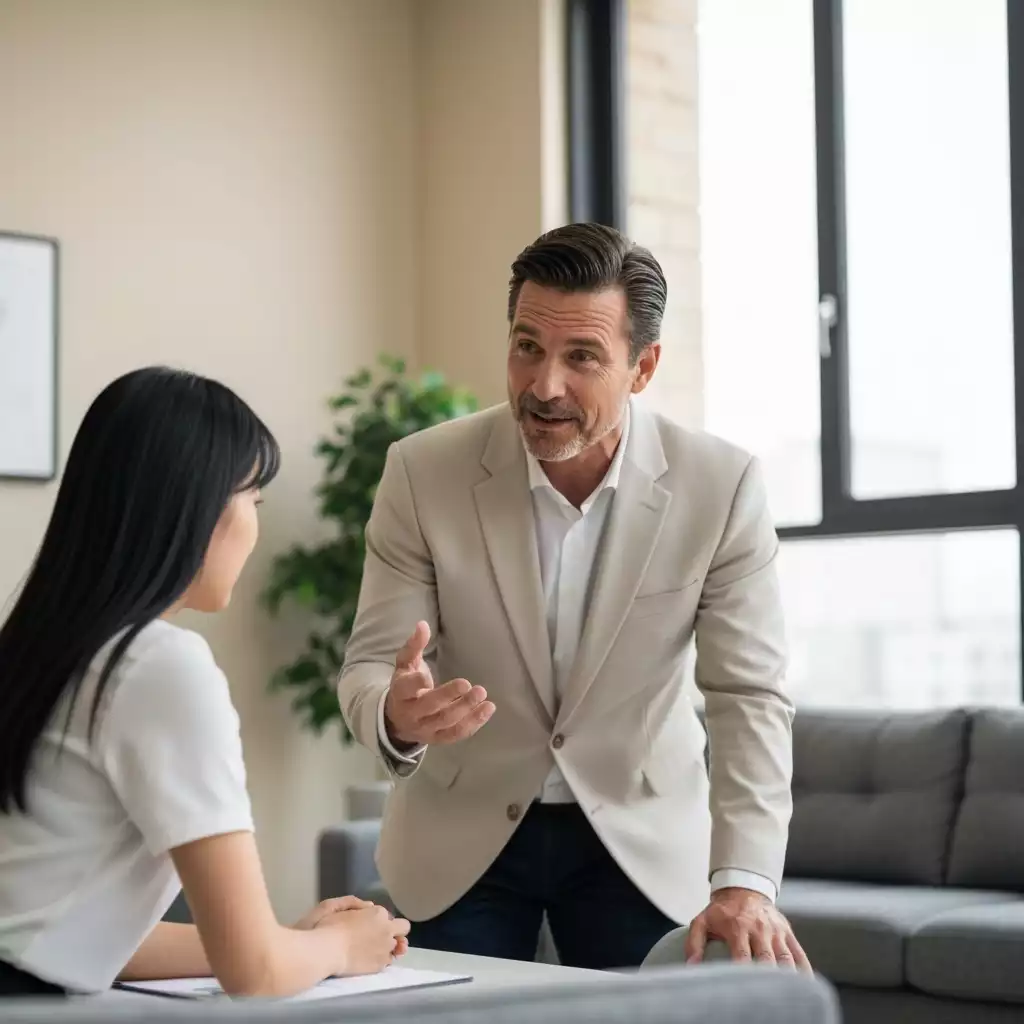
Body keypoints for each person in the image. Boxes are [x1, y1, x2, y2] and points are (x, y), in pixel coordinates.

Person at [338, 223, 810, 972]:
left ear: (642, 367)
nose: (544, 384)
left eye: (582, 356)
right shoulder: (422, 472)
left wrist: (746, 880)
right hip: (461, 840)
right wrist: (396, 714)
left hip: (640, 840)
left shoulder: (720, 487)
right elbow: (368, 665)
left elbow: (748, 693)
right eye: (527, 346)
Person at [0, 367, 409, 999]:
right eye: (254, 500)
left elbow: (65, 933)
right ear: (195, 506)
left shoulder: (41, 647)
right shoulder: (159, 666)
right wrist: (337, 948)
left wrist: (284, 939)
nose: (255, 525)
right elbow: (256, 976)